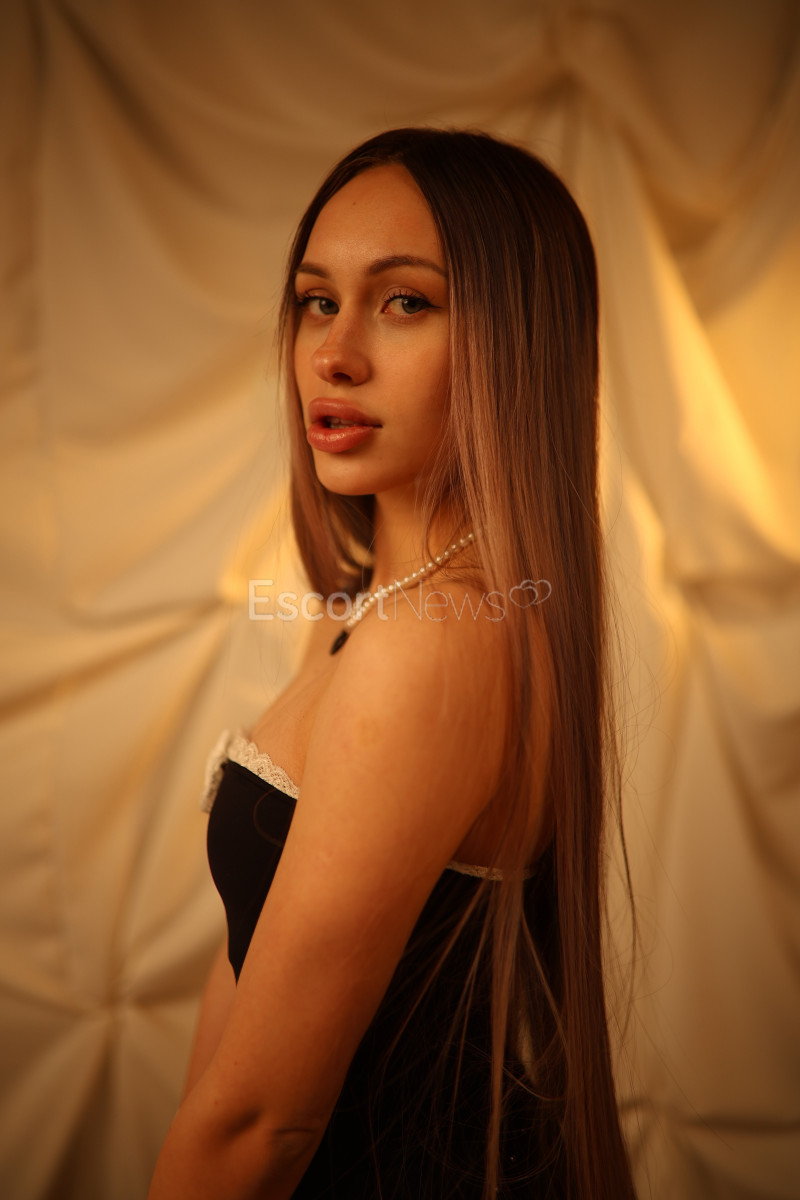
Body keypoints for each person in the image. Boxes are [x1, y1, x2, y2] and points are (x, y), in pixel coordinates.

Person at [148, 127, 637, 1199]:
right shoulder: (377, 615)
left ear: (516, 342)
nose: (334, 353)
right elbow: (234, 1063)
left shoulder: (433, 640)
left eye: (405, 301)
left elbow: (262, 1123)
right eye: (316, 301)